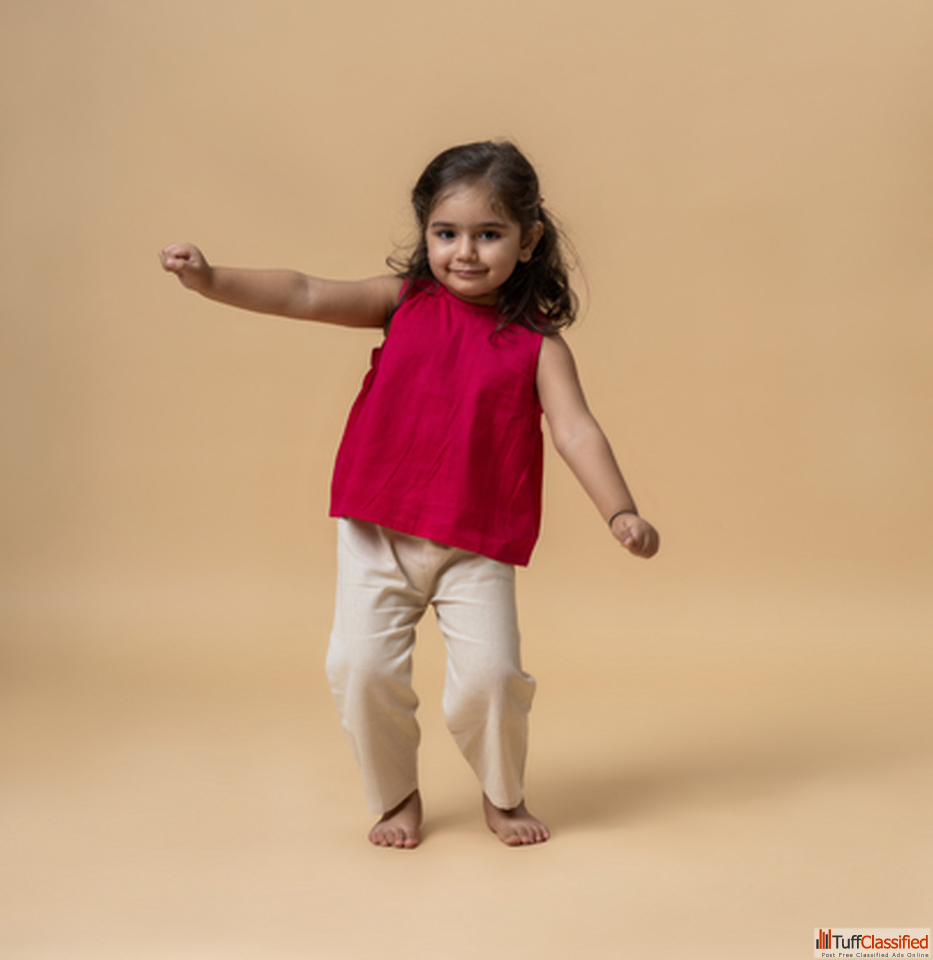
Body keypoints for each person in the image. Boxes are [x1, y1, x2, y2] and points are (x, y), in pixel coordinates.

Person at [160, 140, 659, 850]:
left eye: (489, 235)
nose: (465, 252)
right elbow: (305, 293)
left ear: (529, 240)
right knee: (358, 670)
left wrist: (621, 509)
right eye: (445, 233)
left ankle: (504, 795)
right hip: (378, 532)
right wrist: (210, 279)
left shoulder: (539, 346)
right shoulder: (402, 302)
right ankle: (396, 794)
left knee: (492, 680)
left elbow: (576, 430)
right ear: (425, 230)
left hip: (474, 544)